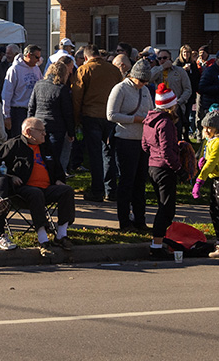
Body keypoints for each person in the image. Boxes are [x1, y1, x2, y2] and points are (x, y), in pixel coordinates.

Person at [0, 118, 76, 255]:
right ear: (29, 132)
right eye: (41, 131)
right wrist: (11, 177)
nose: (45, 134)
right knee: (36, 193)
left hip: (47, 189)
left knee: (67, 190)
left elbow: (58, 168)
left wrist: (60, 180)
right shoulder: (13, 145)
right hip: (23, 191)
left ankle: (61, 235)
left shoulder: (45, 146)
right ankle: (43, 239)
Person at [108, 59, 154, 232]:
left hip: (142, 140)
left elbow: (150, 109)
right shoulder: (120, 88)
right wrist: (134, 119)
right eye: (141, 81)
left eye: (146, 82)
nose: (144, 84)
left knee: (140, 182)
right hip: (125, 140)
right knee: (127, 181)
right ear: (133, 76)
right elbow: (111, 114)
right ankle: (124, 221)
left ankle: (140, 220)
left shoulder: (145, 91)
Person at [71, 46, 120, 203]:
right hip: (111, 116)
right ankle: (111, 190)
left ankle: (97, 190)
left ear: (86, 57)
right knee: (109, 153)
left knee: (95, 155)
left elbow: (77, 97)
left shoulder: (84, 70)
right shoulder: (113, 70)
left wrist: (76, 118)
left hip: (91, 116)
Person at [141, 84, 182, 259]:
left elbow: (144, 145)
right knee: (166, 208)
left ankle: (159, 242)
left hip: (153, 166)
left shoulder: (149, 120)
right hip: (164, 168)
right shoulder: (165, 123)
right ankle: (156, 246)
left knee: (162, 206)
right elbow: (166, 151)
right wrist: (177, 167)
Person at [193, 111, 219, 258]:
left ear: (216, 128)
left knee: (218, 210)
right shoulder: (210, 140)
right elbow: (207, 157)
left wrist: (199, 180)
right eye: (204, 127)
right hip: (216, 178)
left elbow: (212, 162)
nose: (206, 130)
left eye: (209, 128)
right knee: (214, 210)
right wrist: (201, 160)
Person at [29, 58, 75, 172]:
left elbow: (31, 106)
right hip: (56, 127)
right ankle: (54, 179)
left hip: (39, 124)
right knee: (54, 156)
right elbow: (67, 112)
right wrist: (71, 132)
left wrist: (29, 123)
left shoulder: (38, 85)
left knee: (41, 156)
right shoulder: (62, 89)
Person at [1, 45, 43, 139]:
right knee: (19, 139)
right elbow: (6, 94)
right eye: (36, 57)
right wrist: (6, 115)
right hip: (18, 110)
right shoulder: (14, 69)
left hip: (33, 109)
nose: (38, 60)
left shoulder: (36, 69)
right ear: (28, 55)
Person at [151, 50, 193, 138]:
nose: (162, 60)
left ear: (170, 58)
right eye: (159, 58)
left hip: (176, 108)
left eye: (165, 58)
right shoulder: (157, 70)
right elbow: (148, 79)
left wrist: (179, 102)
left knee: (176, 133)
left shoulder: (180, 71)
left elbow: (188, 89)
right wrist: (161, 67)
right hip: (160, 108)